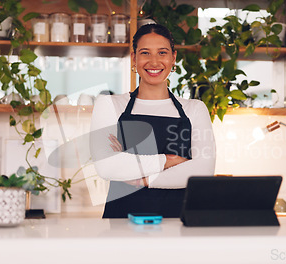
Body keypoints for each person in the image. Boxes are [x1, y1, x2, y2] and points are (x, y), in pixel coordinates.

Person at [90, 23, 216, 218]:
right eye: (145, 53)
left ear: (173, 58)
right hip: (122, 224)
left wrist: (144, 179)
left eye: (162, 53)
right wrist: (169, 160)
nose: (154, 62)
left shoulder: (195, 109)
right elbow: (107, 167)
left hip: (179, 223)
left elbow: (203, 170)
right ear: (134, 58)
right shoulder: (110, 105)